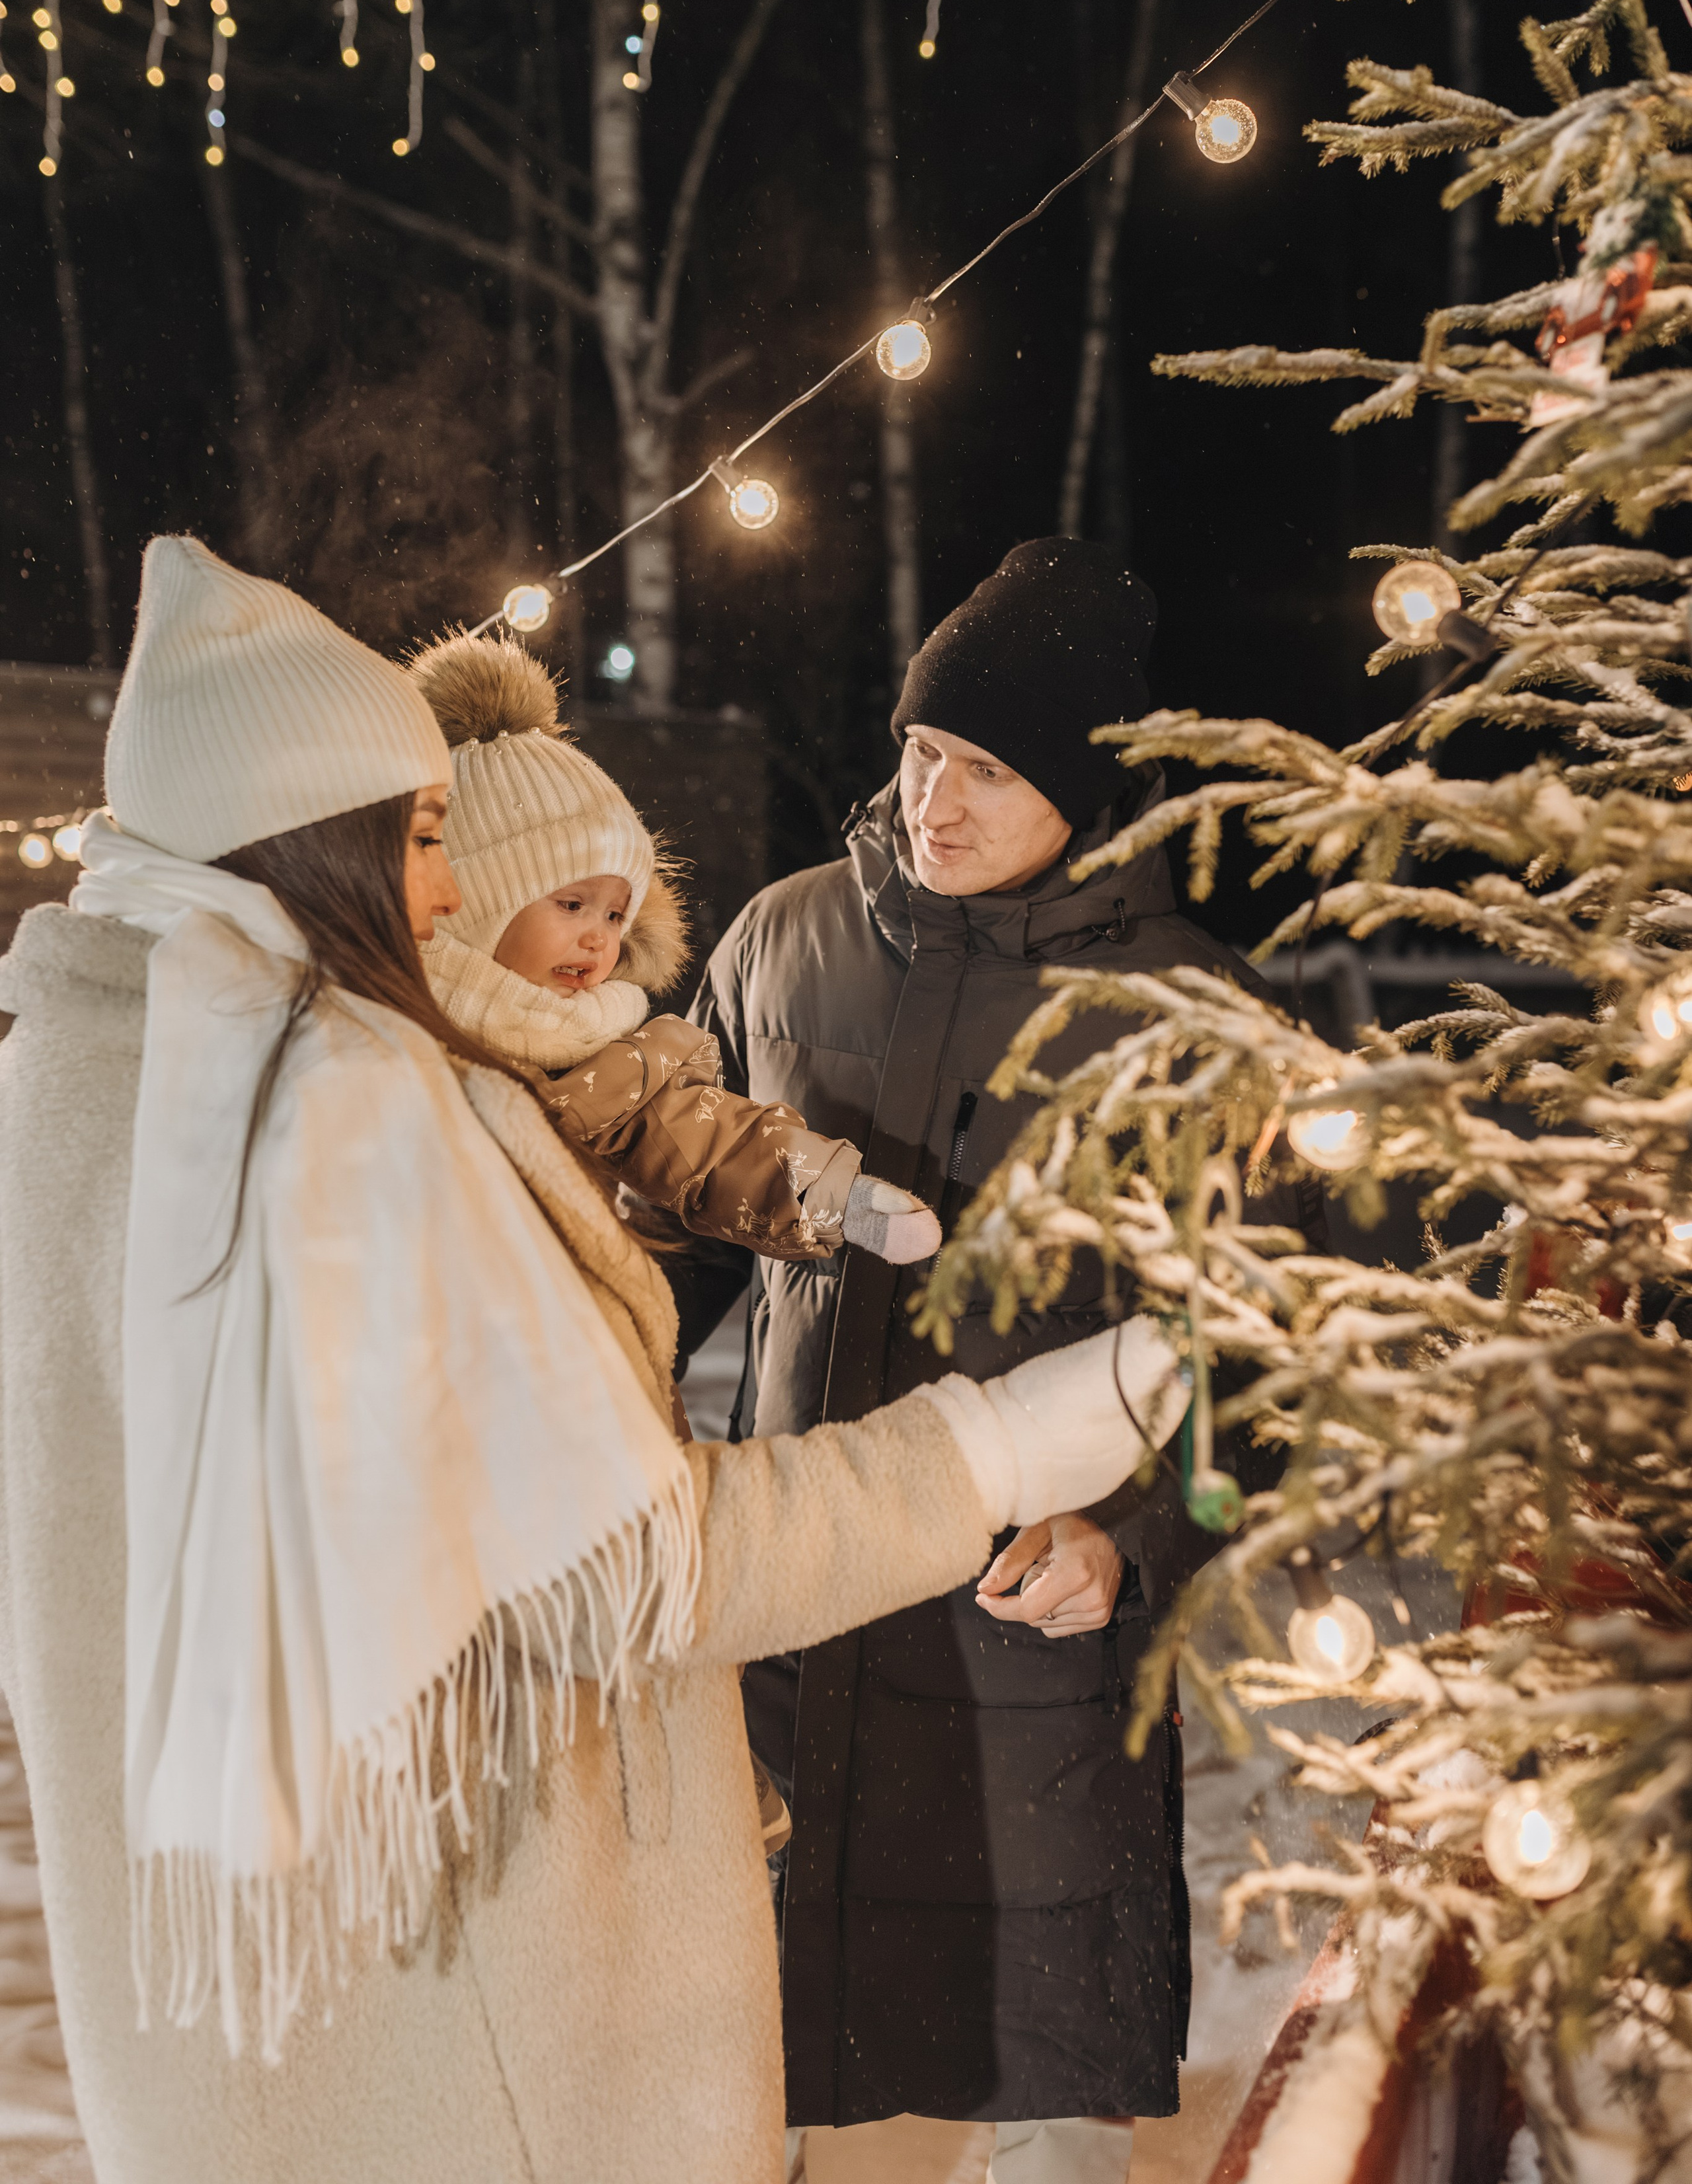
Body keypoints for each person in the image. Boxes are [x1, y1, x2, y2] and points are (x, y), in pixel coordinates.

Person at [0, 535, 1187, 2184]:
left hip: (302, 1984)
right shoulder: (336, 1111)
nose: (446, 885)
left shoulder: (111, 1058)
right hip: (486, 1989)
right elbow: (637, 1549)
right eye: (422, 836)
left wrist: (1129, 1528)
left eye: (988, 766)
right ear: (308, 833)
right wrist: (992, 1445)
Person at [685, 537, 1311, 2183]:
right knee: (772, 2109)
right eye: (917, 750)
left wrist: (1138, 1544)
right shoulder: (776, 942)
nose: (931, 799)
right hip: (788, 1638)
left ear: (1084, 791)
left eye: (985, 767)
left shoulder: (1193, 1019)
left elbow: (1250, 1363)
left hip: (1022, 1670)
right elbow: (664, 1240)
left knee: (1022, 2123)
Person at [406, 631, 941, 1278]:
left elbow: (713, 1142)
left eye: (615, 914)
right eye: (571, 905)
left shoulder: (600, 1063)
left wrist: (842, 1199)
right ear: (470, 899)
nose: (599, 938)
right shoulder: (389, 1027)